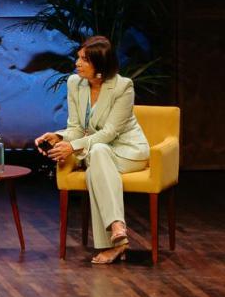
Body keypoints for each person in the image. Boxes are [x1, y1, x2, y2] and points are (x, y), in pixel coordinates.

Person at [35, 35, 150, 264]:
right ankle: (118, 233)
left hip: (127, 151)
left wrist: (72, 147)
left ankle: (114, 241)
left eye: (84, 60)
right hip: (99, 151)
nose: (77, 63)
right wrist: (59, 136)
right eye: (78, 58)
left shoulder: (123, 87)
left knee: (98, 155)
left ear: (100, 65)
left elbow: (109, 133)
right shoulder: (74, 83)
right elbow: (76, 127)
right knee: (98, 154)